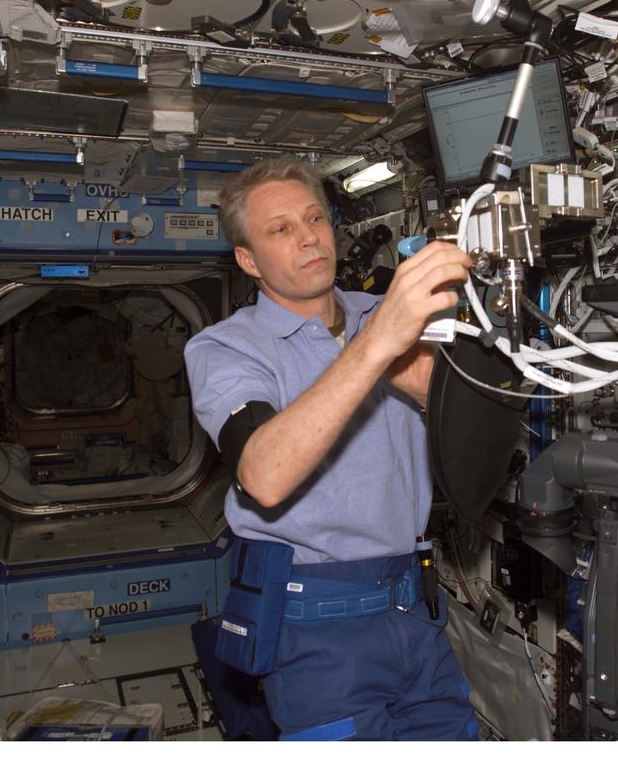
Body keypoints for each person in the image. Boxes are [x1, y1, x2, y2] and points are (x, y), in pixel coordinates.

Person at [184, 156, 478, 741]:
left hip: (412, 606)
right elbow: (263, 476)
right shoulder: (225, 348)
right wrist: (374, 348)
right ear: (248, 260)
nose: (307, 237)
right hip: (313, 621)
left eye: (314, 217)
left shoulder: (382, 313)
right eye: (280, 229)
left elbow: (455, 417)